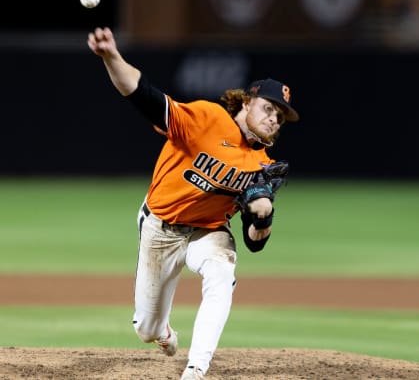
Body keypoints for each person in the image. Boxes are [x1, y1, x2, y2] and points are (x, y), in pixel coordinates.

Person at [87, 27, 299, 380]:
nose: (273, 118)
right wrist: (111, 55)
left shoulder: (262, 165)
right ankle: (164, 333)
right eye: (268, 108)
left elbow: (253, 243)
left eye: (280, 116)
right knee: (146, 328)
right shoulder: (207, 119)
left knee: (222, 271)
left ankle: (196, 370)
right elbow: (144, 96)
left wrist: (263, 217)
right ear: (246, 103)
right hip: (161, 226)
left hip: (208, 232)